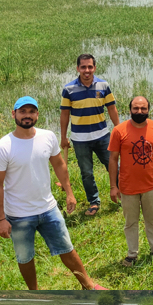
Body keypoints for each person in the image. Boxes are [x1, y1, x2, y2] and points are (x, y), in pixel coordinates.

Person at [0, 96, 105, 290]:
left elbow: (59, 165)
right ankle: (35, 294)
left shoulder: (47, 137)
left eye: (31, 111)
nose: (27, 116)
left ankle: (89, 286)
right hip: (18, 215)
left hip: (48, 208)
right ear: (13, 114)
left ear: (37, 114)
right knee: (25, 257)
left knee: (67, 248)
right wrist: (0, 219)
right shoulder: (3, 147)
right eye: (22, 112)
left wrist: (69, 192)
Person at [108, 96, 153, 266]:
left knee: (152, 219)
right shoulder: (119, 131)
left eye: (143, 108)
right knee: (131, 222)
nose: (139, 112)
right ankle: (132, 255)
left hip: (151, 185)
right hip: (127, 186)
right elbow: (113, 159)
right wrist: (113, 186)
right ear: (129, 110)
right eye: (136, 108)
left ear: (148, 110)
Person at [60, 54, 120, 216]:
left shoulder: (103, 85)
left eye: (90, 67)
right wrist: (63, 137)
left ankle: (123, 194)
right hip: (80, 140)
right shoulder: (69, 89)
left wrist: (119, 129)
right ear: (78, 68)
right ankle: (94, 202)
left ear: (94, 67)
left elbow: (111, 109)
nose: (87, 70)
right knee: (86, 172)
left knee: (113, 165)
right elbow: (65, 115)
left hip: (102, 136)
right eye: (83, 67)